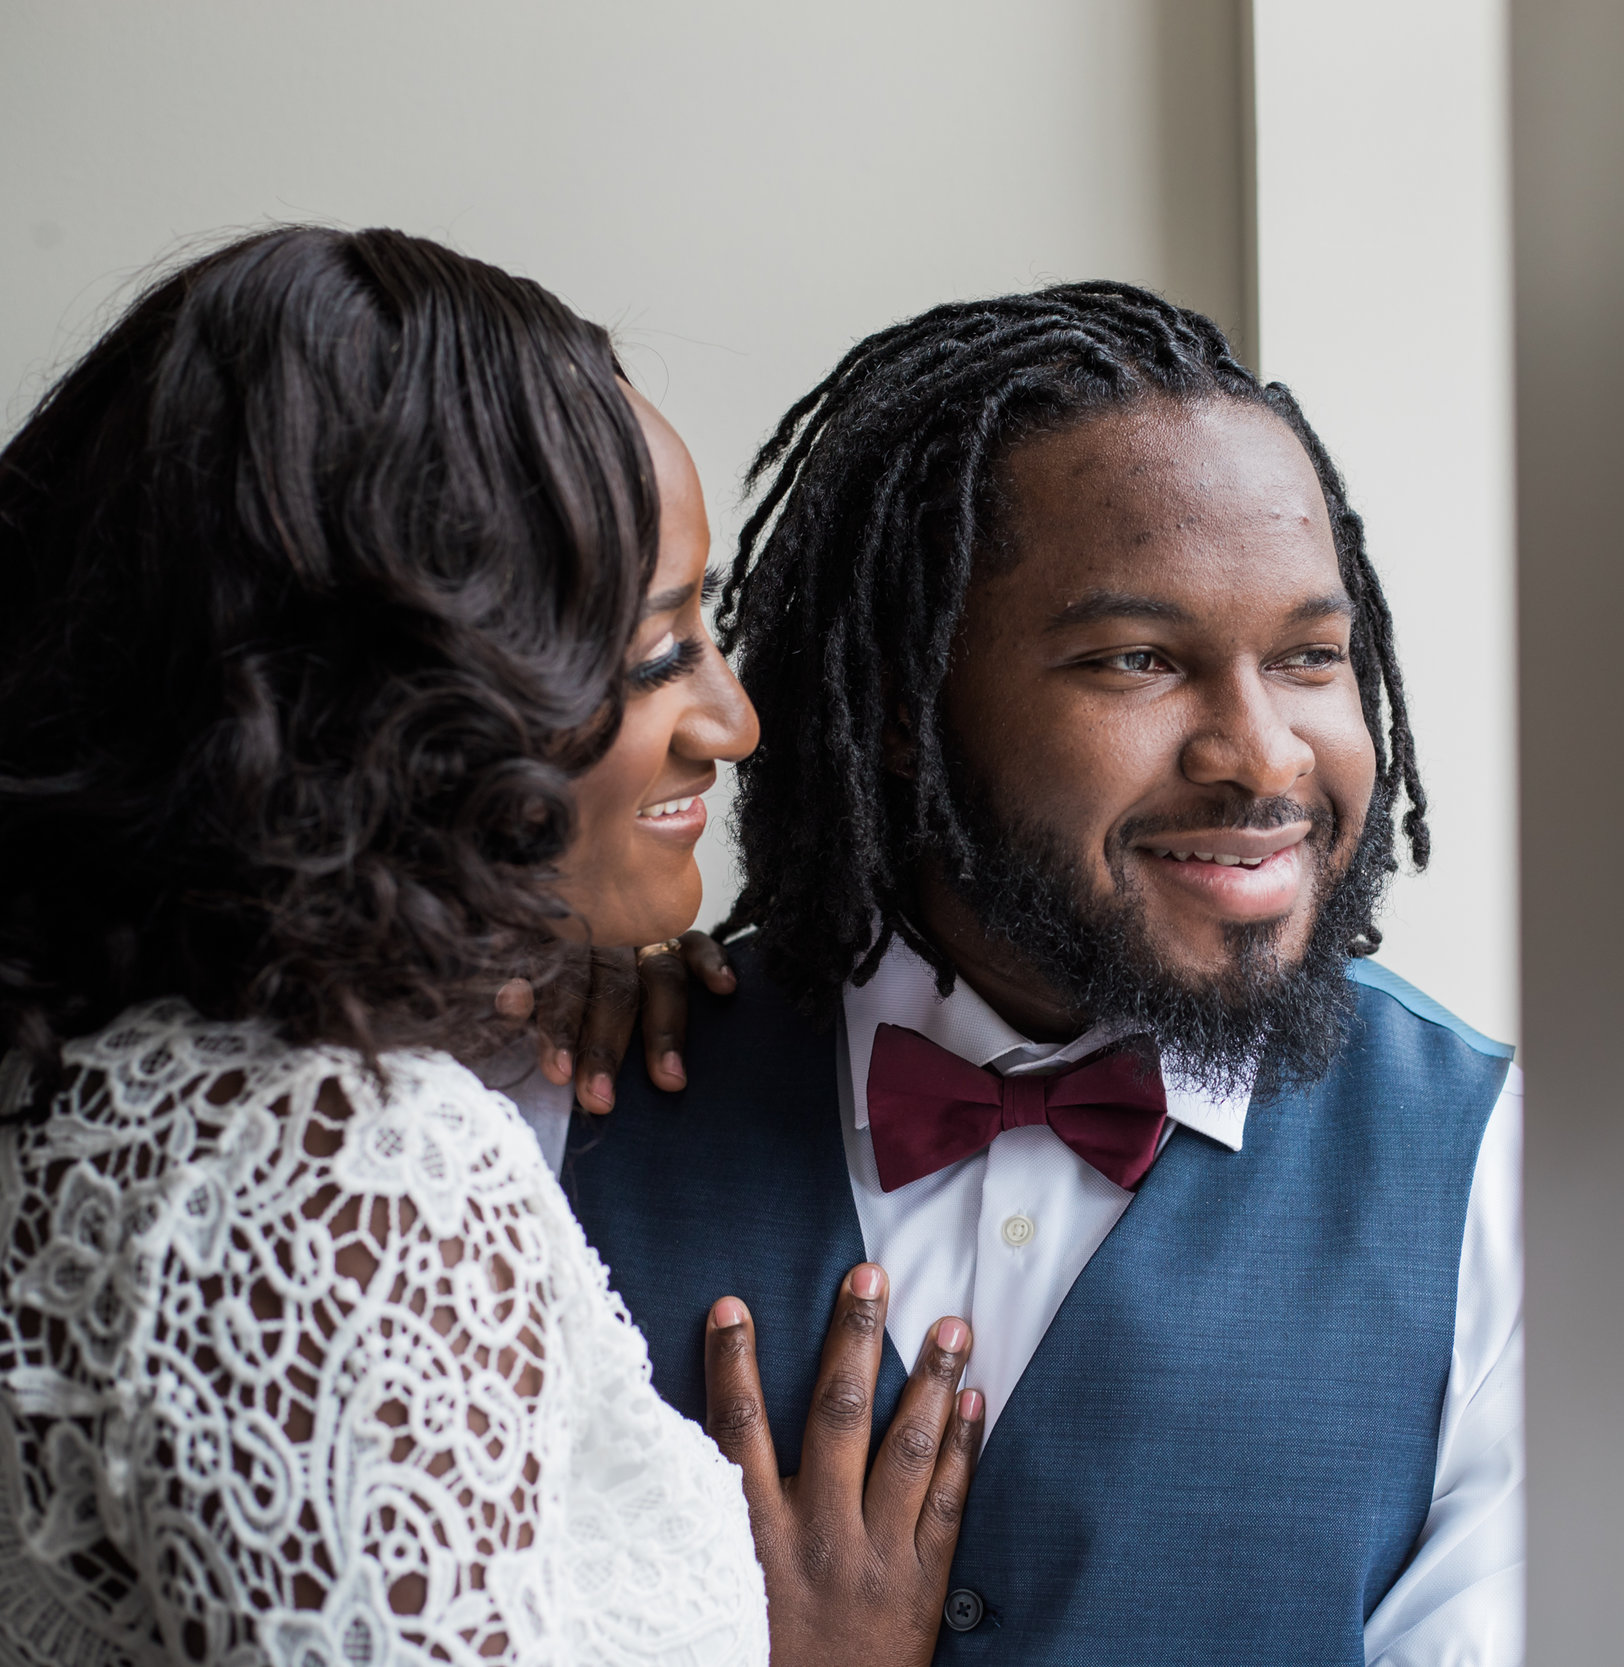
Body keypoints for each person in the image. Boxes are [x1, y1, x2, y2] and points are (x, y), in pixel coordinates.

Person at [0, 226, 988, 1667]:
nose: (733, 721)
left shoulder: (81, 1104)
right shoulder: (329, 1164)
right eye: (654, 654)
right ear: (385, 708)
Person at [566, 283, 1524, 1663]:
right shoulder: (580, 1097)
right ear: (903, 706)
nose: (1263, 757)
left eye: (1313, 657)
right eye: (1138, 659)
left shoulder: (1494, 1176)